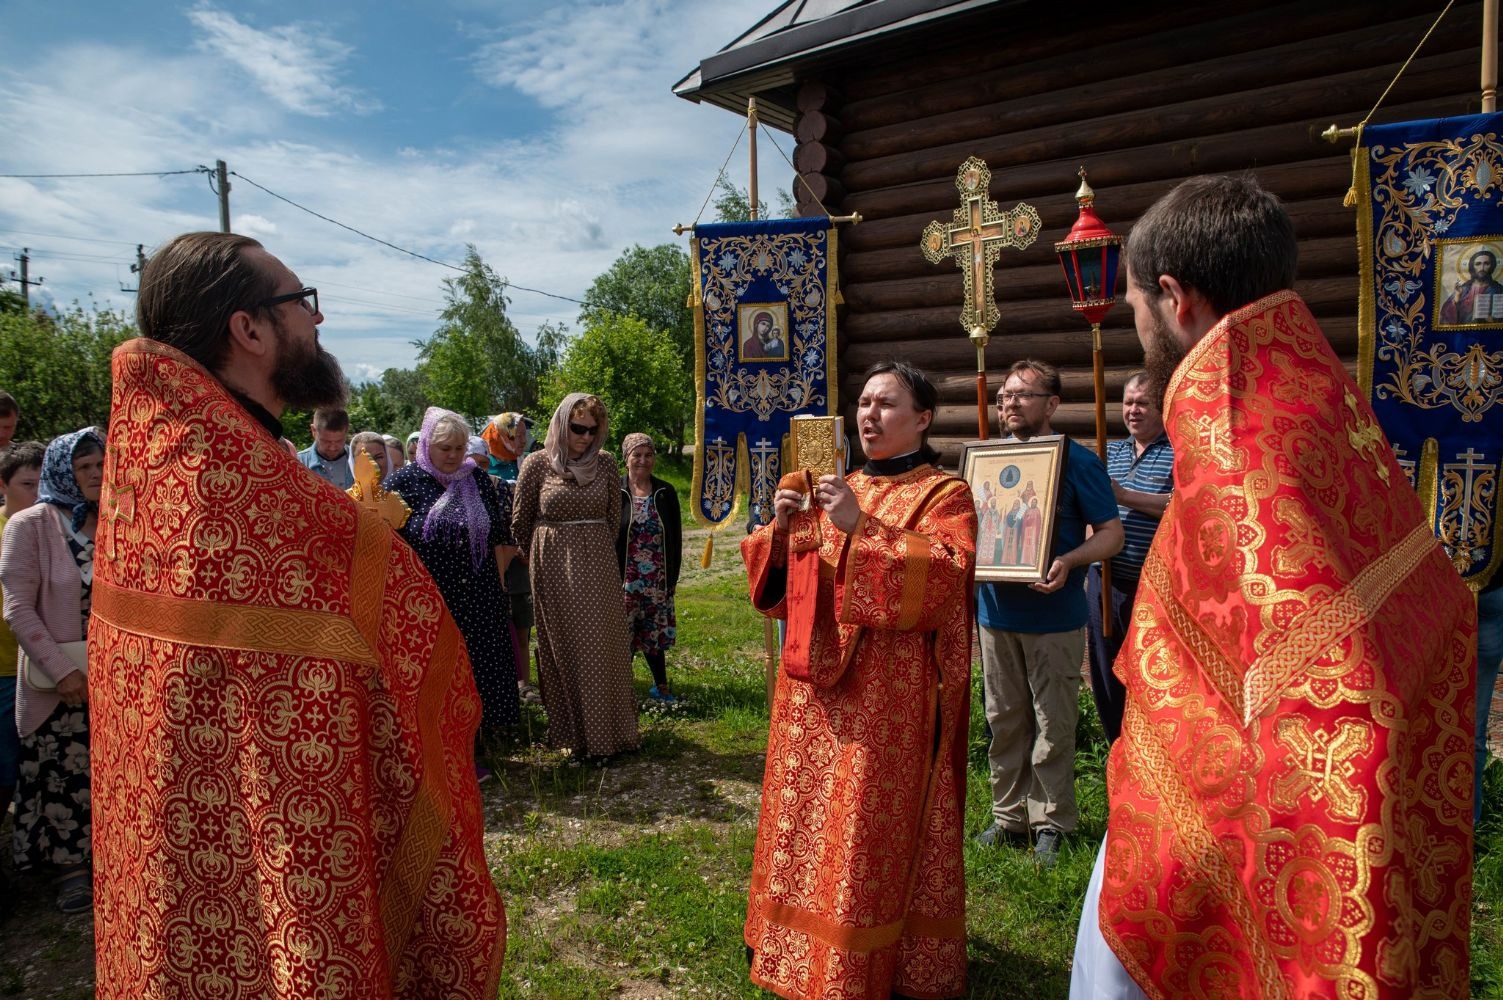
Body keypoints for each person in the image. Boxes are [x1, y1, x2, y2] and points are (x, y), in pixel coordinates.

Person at [1070, 175, 1476, 999]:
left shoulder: (1230, 431)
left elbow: (1310, 677)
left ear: (1175, 298)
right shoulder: (1319, 402)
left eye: (1137, 307)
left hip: (1239, 808)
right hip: (1375, 801)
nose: (1136, 325)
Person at [89, 232, 504, 999]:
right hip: (287, 855)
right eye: (300, 301)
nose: (318, 320)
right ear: (248, 329)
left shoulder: (152, 472)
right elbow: (409, 640)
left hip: (168, 874)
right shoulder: (277, 500)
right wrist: (366, 541)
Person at [741, 361, 976, 1000]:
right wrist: (783, 526)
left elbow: (944, 580)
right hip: (811, 695)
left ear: (922, 419)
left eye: (887, 405)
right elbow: (785, 589)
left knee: (863, 825)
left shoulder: (944, 493)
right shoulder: (831, 484)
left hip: (886, 696)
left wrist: (859, 528)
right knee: (807, 813)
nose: (869, 415)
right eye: (864, 403)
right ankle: (792, 939)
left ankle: (858, 960)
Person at [974, 362, 1123, 866]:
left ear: (1052, 404)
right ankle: (1007, 814)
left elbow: (1111, 534)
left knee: (1053, 720)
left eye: (1022, 395)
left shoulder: (1077, 462)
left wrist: (1069, 559)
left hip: (1054, 615)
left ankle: (1052, 819)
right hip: (994, 612)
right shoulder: (987, 464)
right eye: (1003, 397)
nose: (1009, 404)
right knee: (1003, 716)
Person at [0, 428, 101, 915]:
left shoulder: (120, 519)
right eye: (84, 468)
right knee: (63, 772)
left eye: (102, 466)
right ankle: (71, 871)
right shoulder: (33, 525)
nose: (96, 476)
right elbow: (17, 608)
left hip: (115, 677)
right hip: (60, 682)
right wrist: (63, 672)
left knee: (109, 772)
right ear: (65, 470)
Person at [386, 409, 521, 757]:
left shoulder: (475, 480)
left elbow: (499, 537)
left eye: (460, 448)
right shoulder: (403, 483)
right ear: (427, 444)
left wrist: (500, 585)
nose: (454, 455)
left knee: (479, 668)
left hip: (479, 594)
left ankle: (477, 742)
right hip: (431, 599)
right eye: (445, 447)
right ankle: (441, 749)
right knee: (440, 674)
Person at [512, 393, 638, 759]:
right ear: (561, 423)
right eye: (577, 428)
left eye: (592, 430)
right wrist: (547, 550)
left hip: (597, 564)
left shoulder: (606, 464)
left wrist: (589, 545)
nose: (584, 437)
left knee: (601, 645)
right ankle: (573, 734)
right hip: (551, 566)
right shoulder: (536, 464)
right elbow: (521, 522)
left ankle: (610, 735)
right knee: (564, 646)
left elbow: (615, 520)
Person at [1084, 371, 1173, 744]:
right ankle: (1114, 748)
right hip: (1103, 580)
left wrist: (1123, 495)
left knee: (1148, 668)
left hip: (1152, 584)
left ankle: (1149, 750)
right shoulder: (1111, 452)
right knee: (1105, 670)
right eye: (1128, 403)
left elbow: (1181, 505)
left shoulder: (1178, 451)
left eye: (1142, 403)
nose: (1133, 410)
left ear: (1162, 407)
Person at [614, 434, 682, 704]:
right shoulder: (615, 490)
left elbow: (675, 538)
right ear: (626, 458)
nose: (642, 460)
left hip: (657, 577)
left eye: (648, 454)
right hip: (625, 578)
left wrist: (672, 577)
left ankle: (661, 687)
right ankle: (620, 689)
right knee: (623, 635)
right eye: (636, 454)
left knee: (654, 634)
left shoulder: (665, 492)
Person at [0, 440, 44, 819]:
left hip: (37, 670)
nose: (37, 492)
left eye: (42, 483)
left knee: (19, 768)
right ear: (3, 485)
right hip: (1, 670)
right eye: (27, 484)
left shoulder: (54, 529)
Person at [482, 413, 537, 704]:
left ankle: (524, 683)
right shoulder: (481, 464)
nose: (521, 440)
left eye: (523, 435)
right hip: (493, 556)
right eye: (515, 435)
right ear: (498, 434)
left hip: (522, 557)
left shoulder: (529, 462)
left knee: (522, 623)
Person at [1438, 246, 1503, 324]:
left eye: (1486, 264)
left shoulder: (1498, 289)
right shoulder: (1463, 289)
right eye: (1478, 264)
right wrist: (1457, 298)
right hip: (1462, 335)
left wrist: (1494, 320)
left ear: (1492, 266)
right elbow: (1445, 317)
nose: (1482, 268)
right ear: (1472, 266)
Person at [298, 406, 354, 488]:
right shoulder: (298, 463)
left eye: (339, 441)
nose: (332, 448)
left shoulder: (358, 460)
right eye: (325, 441)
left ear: (347, 430)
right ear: (313, 431)